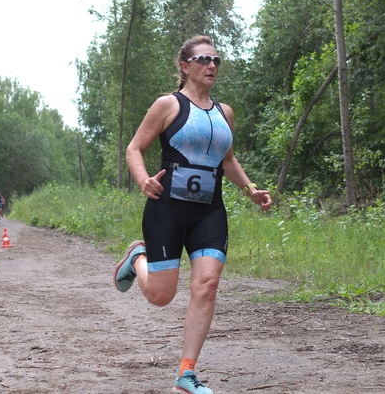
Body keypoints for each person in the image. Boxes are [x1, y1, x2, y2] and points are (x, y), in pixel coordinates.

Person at [114, 35, 272, 393]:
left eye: (216, 60)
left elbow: (227, 160)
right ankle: (137, 257)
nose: (212, 65)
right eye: (203, 59)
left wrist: (250, 190)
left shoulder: (225, 113)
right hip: (167, 209)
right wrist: (142, 180)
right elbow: (135, 148)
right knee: (161, 296)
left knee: (207, 284)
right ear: (185, 66)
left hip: (209, 212)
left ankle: (186, 374)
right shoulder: (168, 105)